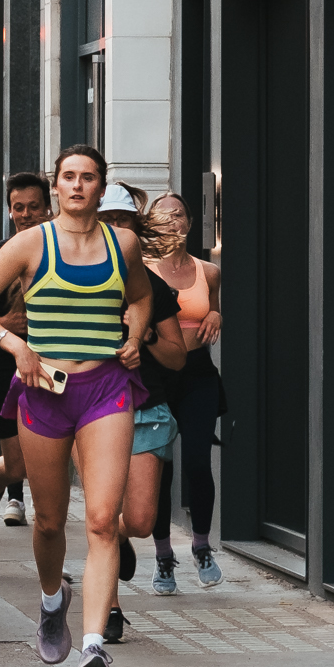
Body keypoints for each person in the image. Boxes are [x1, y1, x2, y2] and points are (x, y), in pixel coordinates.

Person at [0, 146, 154, 667]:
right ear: (55, 186)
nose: (77, 186)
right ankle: (51, 600)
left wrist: (135, 338)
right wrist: (13, 344)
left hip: (107, 389)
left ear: (100, 186)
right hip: (43, 392)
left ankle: (93, 648)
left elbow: (140, 298)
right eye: (68, 177)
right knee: (48, 521)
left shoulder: (124, 244)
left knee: (99, 519)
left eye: (88, 177)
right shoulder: (29, 244)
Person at [100, 190, 188, 642]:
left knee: (136, 520)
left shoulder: (153, 287)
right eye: (107, 219)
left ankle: (117, 537)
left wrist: (148, 336)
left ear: (137, 229)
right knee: (101, 514)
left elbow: (177, 358)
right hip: (92, 408)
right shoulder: (76, 280)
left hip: (146, 411)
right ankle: (108, 608)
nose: (116, 229)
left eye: (124, 221)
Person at [145, 191, 226, 592]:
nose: (171, 222)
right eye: (161, 217)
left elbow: (212, 308)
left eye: (177, 215)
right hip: (157, 376)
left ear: (189, 224)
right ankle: (163, 556)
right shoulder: (140, 270)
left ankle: (201, 545)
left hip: (198, 374)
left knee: (197, 461)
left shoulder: (208, 272)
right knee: (160, 468)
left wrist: (215, 311)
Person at [0, 172, 53, 530]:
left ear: (48, 208)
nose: (25, 214)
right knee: (17, 462)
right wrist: (4, 325)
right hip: (5, 367)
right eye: (18, 208)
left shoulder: (63, 250)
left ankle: (48, 521)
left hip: (57, 364)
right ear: (8, 211)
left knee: (50, 453)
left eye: (33, 207)